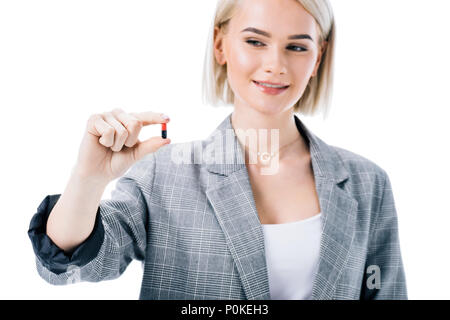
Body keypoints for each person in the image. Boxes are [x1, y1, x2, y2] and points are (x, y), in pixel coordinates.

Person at [28, 0, 408, 300]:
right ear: (220, 44)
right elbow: (72, 266)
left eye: (296, 46)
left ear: (318, 57)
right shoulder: (165, 173)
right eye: (255, 41)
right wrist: (88, 180)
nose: (275, 65)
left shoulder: (367, 183)